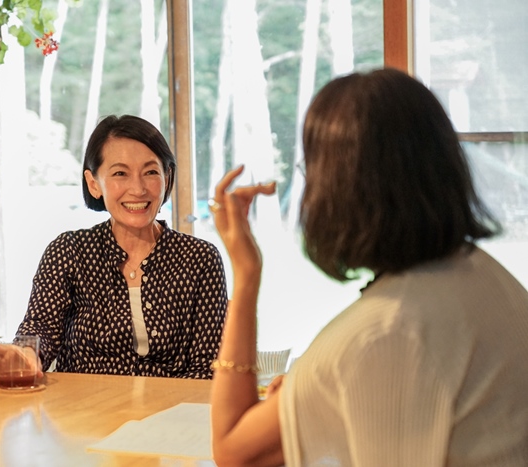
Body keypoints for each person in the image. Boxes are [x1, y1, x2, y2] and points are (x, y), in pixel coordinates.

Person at [209, 68, 528, 466]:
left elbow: (234, 451)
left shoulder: (380, 335)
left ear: (338, 189)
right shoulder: (485, 276)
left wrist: (245, 273)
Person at [0, 115, 228, 388]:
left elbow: (208, 366)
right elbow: (40, 328)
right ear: (94, 184)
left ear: (167, 176)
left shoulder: (199, 258)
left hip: (171, 416)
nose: (137, 189)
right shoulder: (69, 251)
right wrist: (23, 356)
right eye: (120, 173)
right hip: (86, 415)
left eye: (150, 172)